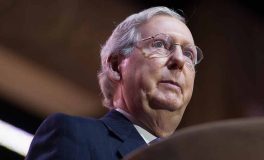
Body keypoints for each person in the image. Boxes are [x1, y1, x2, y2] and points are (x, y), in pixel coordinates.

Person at [26, 6, 203, 160]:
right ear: (116, 66)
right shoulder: (75, 135)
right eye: (160, 44)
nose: (179, 59)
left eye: (189, 54)